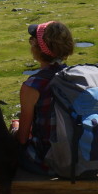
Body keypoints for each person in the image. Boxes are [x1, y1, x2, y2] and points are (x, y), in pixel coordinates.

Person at [11, 21, 75, 180]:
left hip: (49, 163)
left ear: (36, 47)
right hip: (82, 156)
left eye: (32, 40)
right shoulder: (78, 77)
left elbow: (23, 138)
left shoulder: (33, 85)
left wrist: (14, 129)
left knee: (12, 139)